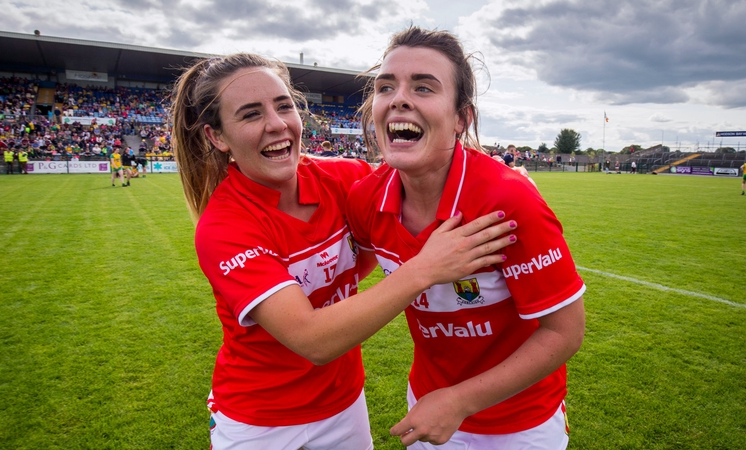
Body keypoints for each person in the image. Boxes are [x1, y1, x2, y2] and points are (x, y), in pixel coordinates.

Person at [171, 53, 518, 450]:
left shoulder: (342, 178)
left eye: (284, 105)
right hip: (260, 420)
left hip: (343, 404)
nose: (276, 124)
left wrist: (505, 182)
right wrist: (424, 269)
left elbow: (420, 182)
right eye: (251, 115)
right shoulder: (224, 226)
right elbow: (312, 340)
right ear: (217, 137)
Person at [348, 26, 586, 449]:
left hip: (520, 423)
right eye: (387, 86)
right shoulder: (366, 198)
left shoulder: (507, 200)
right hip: (428, 404)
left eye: (423, 87)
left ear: (461, 118)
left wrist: (459, 400)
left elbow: (564, 331)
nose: (399, 98)